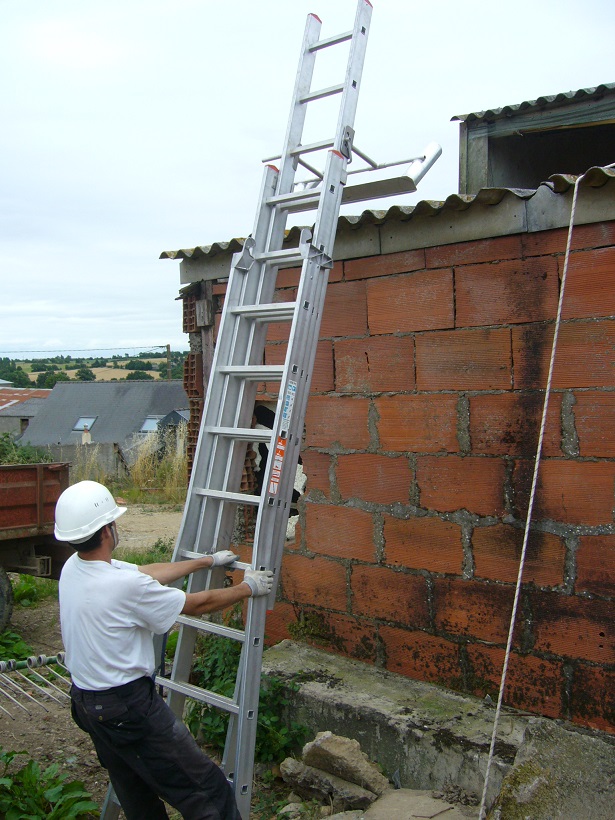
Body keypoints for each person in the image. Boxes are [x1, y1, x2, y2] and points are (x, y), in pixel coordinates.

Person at [54, 480, 273, 820]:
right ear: (108, 531)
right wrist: (249, 587)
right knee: (207, 791)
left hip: (87, 703)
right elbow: (197, 604)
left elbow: (146, 574)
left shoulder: (75, 568)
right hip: (128, 708)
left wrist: (206, 562)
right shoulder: (121, 586)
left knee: (138, 798)